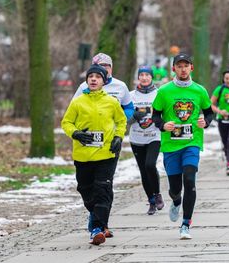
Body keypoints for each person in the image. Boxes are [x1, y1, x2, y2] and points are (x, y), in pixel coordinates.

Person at [151, 53, 214, 240]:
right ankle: (176, 200)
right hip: (171, 145)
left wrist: (205, 122)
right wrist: (164, 125)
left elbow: (210, 113)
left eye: (186, 66)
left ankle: (186, 223)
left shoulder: (200, 90)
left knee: (189, 178)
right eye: (179, 66)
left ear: (191, 68)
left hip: (192, 142)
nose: (183, 69)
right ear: (173, 69)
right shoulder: (164, 91)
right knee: (175, 188)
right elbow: (155, 116)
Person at [61, 64, 126, 245]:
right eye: (91, 77)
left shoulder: (112, 102)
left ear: (104, 81)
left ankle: (97, 229)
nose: (94, 79)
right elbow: (66, 122)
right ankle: (97, 213)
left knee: (102, 189)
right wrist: (75, 133)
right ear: (87, 80)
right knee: (85, 190)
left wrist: (118, 137)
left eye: (98, 77)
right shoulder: (78, 102)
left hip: (106, 154)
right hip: (83, 155)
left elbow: (121, 121)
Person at [73, 52, 133, 238]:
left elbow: (128, 109)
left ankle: (99, 225)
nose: (102, 70)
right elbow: (72, 113)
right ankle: (97, 216)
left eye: (106, 67)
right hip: (87, 147)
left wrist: (117, 127)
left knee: (104, 185)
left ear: (110, 69)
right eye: (98, 68)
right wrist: (77, 132)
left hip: (110, 142)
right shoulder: (83, 88)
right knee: (87, 186)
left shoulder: (120, 86)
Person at [128, 65, 164, 215]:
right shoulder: (130, 95)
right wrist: (133, 116)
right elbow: (124, 118)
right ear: (138, 77)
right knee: (143, 170)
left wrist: (161, 122)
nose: (144, 78)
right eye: (141, 75)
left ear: (151, 77)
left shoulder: (159, 94)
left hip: (154, 136)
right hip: (136, 137)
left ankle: (157, 193)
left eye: (147, 75)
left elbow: (165, 113)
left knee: (150, 165)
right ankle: (151, 201)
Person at [73, 53, 134, 120]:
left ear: (111, 68)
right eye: (100, 66)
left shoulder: (121, 86)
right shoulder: (84, 86)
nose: (104, 69)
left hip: (113, 126)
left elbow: (129, 108)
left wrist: (120, 118)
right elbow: (73, 108)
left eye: (106, 66)